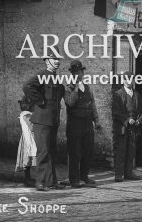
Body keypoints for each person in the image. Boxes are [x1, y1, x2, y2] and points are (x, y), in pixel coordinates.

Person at [22, 55, 66, 191]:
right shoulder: (42, 74)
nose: (57, 62)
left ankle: (52, 182)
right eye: (54, 59)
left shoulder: (56, 78)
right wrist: (40, 101)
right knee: (43, 151)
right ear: (47, 61)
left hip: (52, 120)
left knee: (52, 151)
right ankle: (40, 182)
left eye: (58, 59)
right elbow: (27, 86)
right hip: (42, 120)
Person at [64, 60, 101, 188]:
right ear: (72, 74)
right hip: (74, 123)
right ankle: (74, 179)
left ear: (83, 72)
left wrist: (96, 121)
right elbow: (70, 103)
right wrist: (75, 88)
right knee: (75, 152)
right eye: (75, 73)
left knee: (88, 151)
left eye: (80, 72)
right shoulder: (68, 88)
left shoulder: (88, 88)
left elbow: (93, 105)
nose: (78, 75)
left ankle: (84, 176)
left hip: (87, 123)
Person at [112, 71, 142, 182]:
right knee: (121, 150)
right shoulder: (118, 94)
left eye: (131, 79)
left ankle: (128, 173)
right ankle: (118, 175)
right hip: (122, 127)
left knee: (131, 151)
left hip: (133, 128)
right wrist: (127, 120)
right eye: (127, 79)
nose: (129, 81)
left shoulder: (137, 95)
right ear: (123, 81)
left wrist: (139, 121)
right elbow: (116, 112)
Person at [15, 98, 37, 187]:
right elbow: (31, 127)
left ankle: (27, 178)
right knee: (29, 157)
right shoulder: (27, 115)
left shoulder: (22, 114)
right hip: (29, 139)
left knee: (26, 158)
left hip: (25, 137)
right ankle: (27, 179)